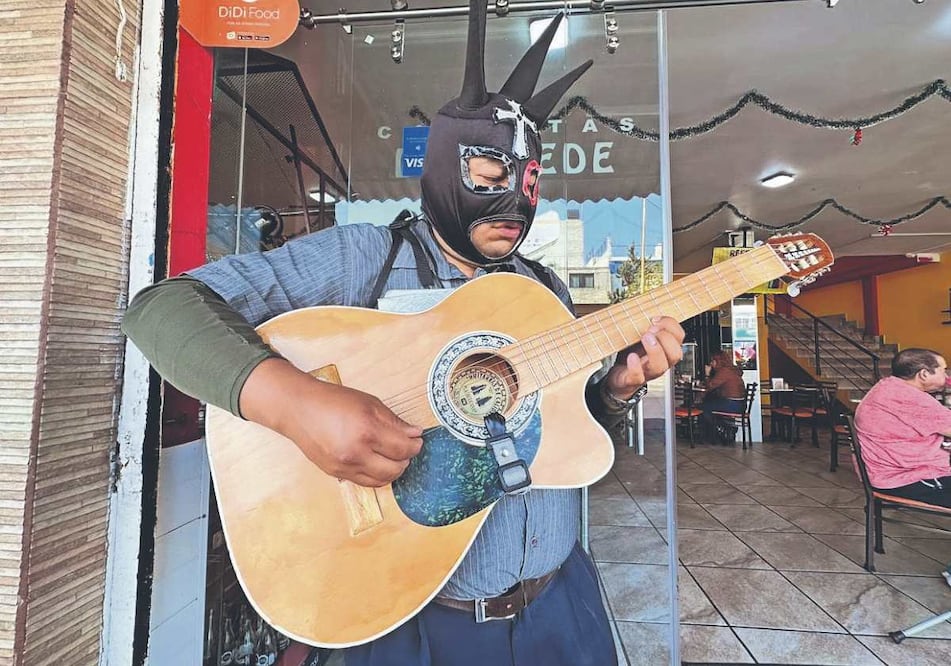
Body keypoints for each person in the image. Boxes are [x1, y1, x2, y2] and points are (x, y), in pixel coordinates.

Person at [122, 3, 684, 665]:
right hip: (413, 627)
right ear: (445, 168)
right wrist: (296, 405)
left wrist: (618, 388)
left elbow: (562, 435)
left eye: (529, 186)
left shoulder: (544, 291)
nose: (513, 207)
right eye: (487, 179)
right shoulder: (365, 257)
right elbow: (163, 308)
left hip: (557, 610)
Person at [854, 348, 951, 508]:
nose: (946, 376)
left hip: (889, 474)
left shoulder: (887, 387)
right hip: (909, 479)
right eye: (943, 370)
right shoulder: (911, 398)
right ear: (924, 374)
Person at [700, 350, 746, 443]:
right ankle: (726, 428)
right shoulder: (732, 370)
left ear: (718, 361)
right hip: (740, 404)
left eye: (712, 361)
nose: (711, 364)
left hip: (732, 404)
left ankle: (719, 430)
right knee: (712, 404)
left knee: (703, 407)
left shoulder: (724, 371)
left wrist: (707, 374)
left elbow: (710, 386)